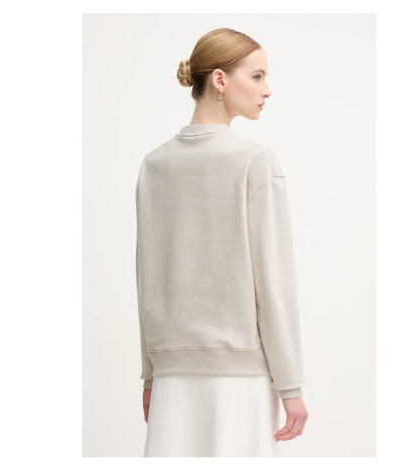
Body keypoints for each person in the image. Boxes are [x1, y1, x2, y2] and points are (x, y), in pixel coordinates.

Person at [135, 27, 309, 457]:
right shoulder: (255, 161)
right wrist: (291, 385)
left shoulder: (154, 165)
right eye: (257, 76)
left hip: (171, 378)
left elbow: (147, 279)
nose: (267, 90)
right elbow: (274, 281)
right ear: (219, 79)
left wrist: (151, 374)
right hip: (241, 380)